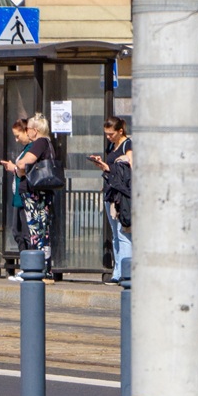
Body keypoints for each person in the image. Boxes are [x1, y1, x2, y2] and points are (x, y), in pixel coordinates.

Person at [0, 113, 56, 279]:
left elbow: (25, 162)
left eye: (29, 129)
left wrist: (18, 166)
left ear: (35, 130)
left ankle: (33, 269)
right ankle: (43, 268)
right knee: (41, 232)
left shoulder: (39, 142)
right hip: (42, 193)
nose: (28, 132)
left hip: (34, 194)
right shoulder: (48, 143)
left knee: (34, 230)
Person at [89, 117, 132, 284]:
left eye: (111, 134)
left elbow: (129, 163)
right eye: (106, 134)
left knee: (123, 232)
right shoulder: (111, 146)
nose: (108, 137)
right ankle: (118, 270)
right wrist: (102, 164)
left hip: (121, 195)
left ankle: (126, 272)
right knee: (115, 234)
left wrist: (110, 167)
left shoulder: (127, 144)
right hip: (110, 192)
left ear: (120, 131)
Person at [6, 119, 32, 281]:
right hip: (18, 195)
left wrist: (13, 168)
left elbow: (25, 170)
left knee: (25, 233)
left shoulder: (32, 149)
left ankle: (29, 267)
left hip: (24, 196)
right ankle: (25, 266)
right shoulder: (25, 149)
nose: (16, 139)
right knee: (17, 231)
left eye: (17, 136)